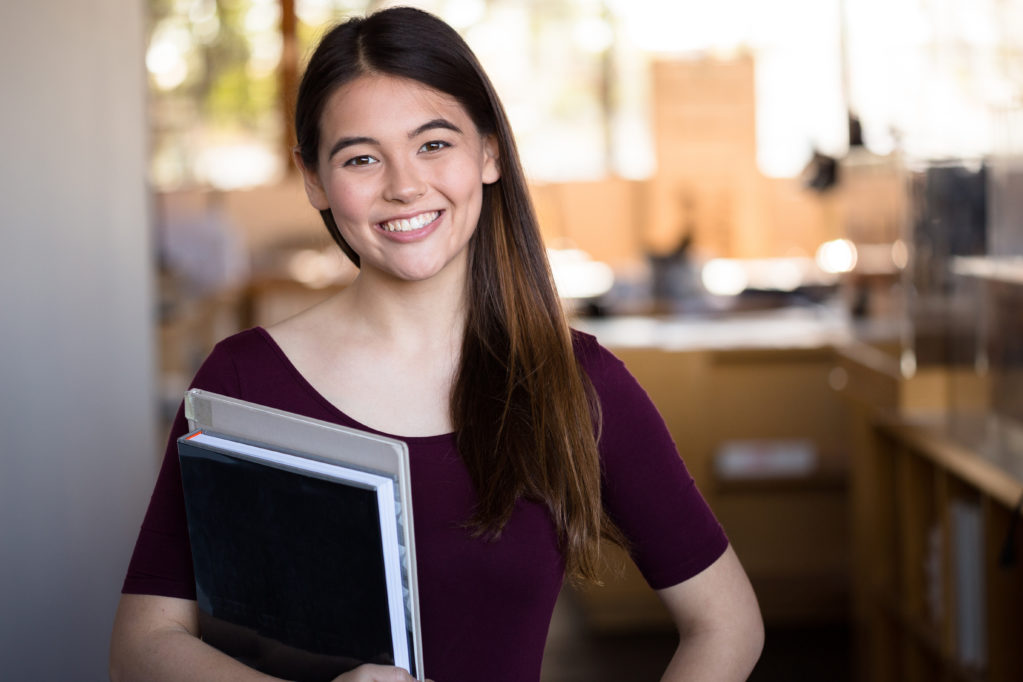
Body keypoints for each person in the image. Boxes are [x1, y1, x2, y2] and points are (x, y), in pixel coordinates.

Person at [109, 7, 763, 682]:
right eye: (361, 158)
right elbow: (142, 644)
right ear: (314, 180)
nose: (403, 186)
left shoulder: (576, 381)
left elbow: (725, 622)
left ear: (488, 151)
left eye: (433, 144)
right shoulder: (243, 380)